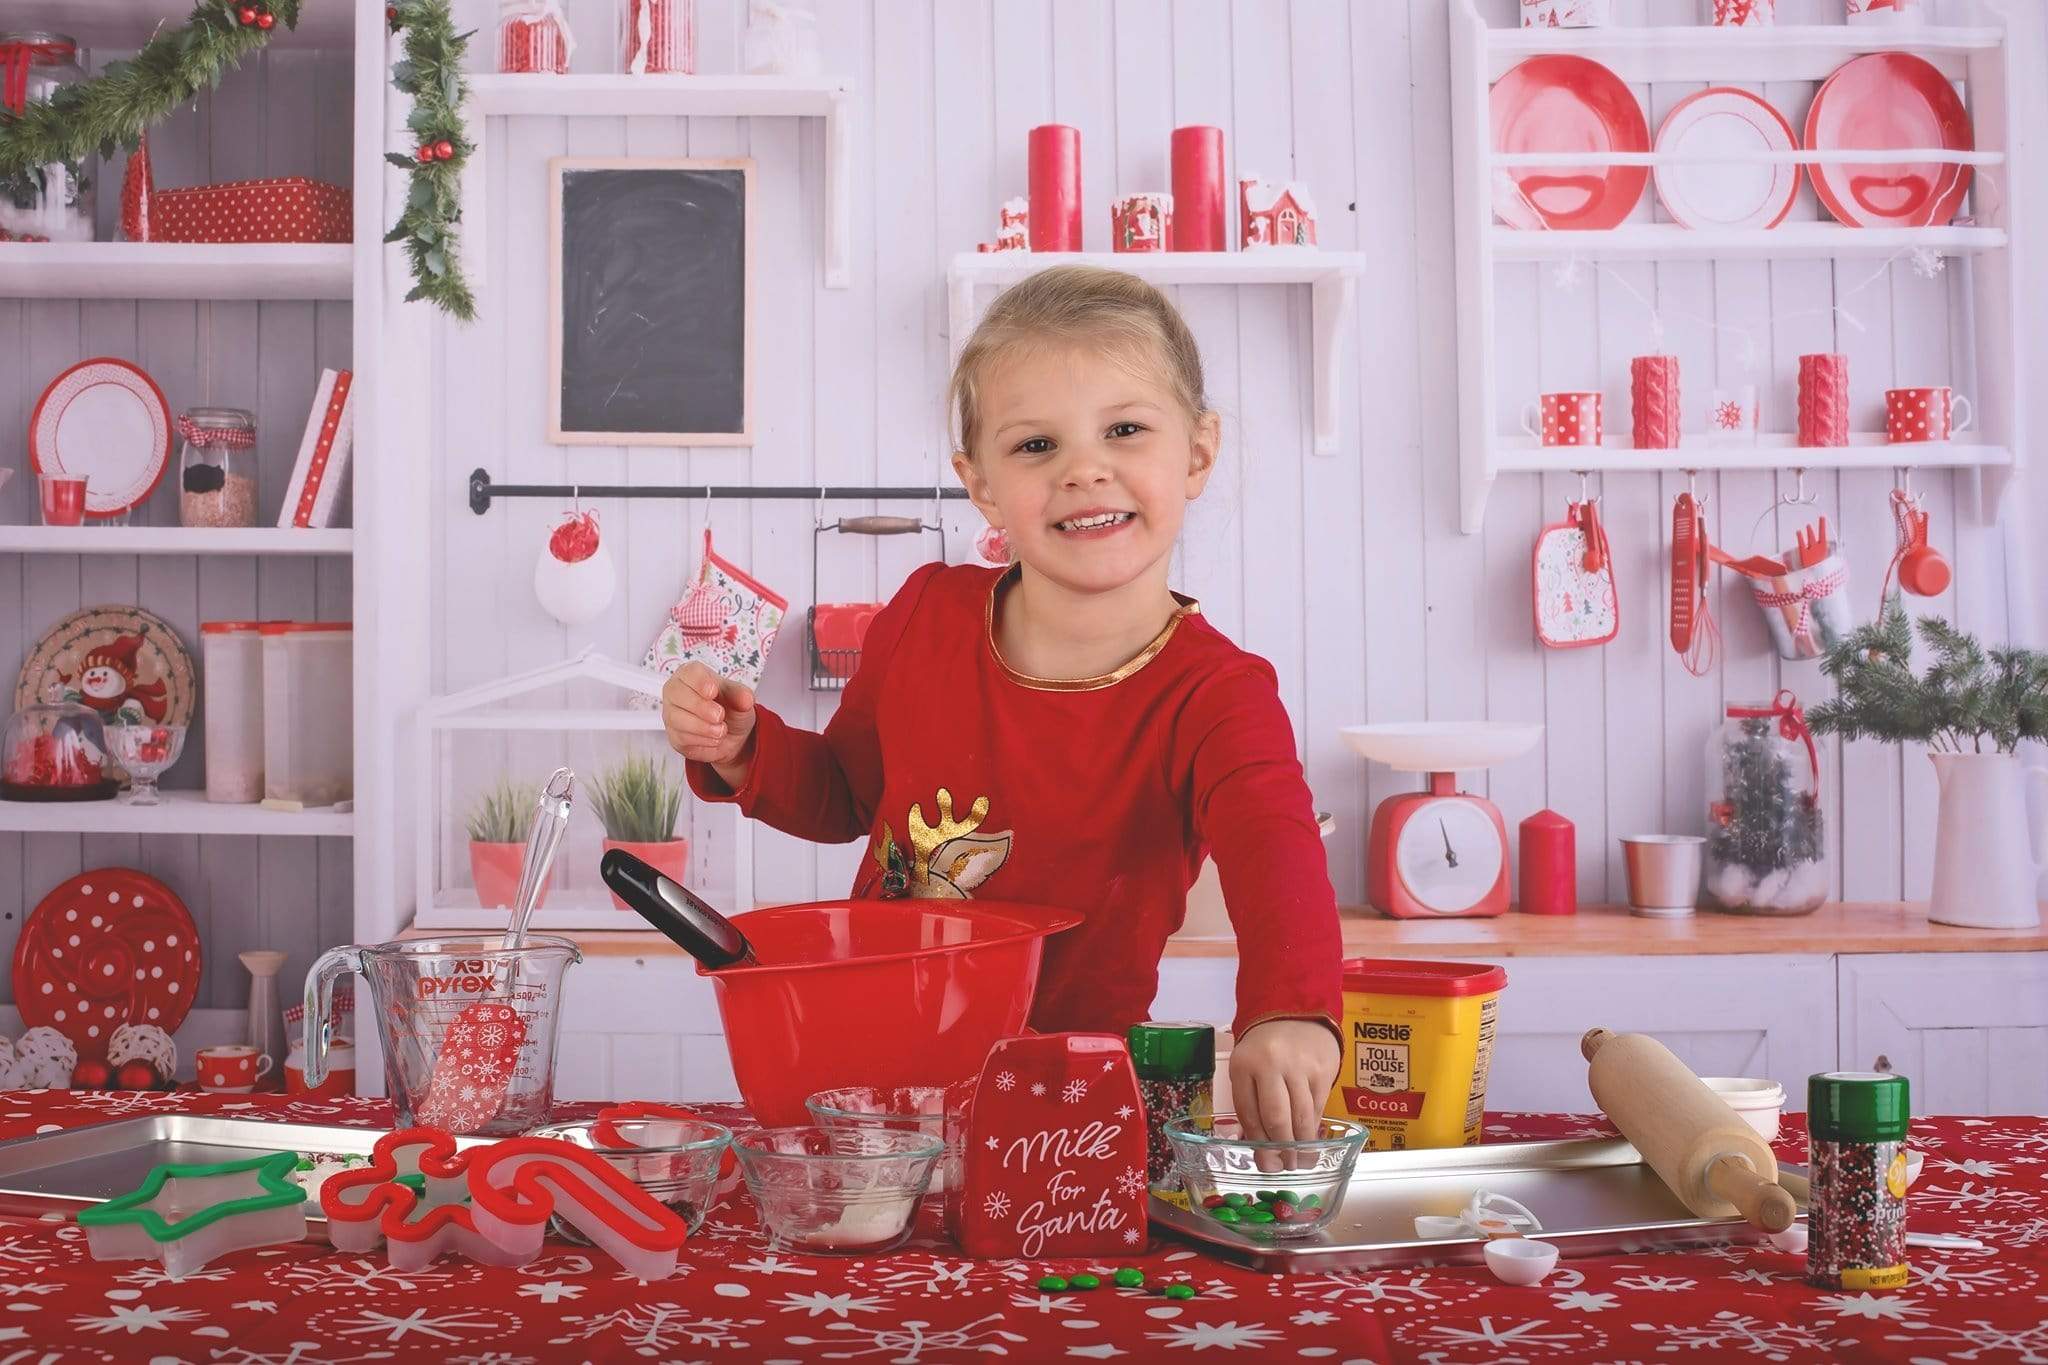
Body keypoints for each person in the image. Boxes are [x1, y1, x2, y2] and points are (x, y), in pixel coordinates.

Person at [664, 265, 1342, 1140]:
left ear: (1198, 453)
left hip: (1059, 1111)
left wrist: (1290, 1012)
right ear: (980, 483)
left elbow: (1274, 857)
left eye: (1125, 430)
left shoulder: (1219, 696)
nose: (1084, 471)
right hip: (868, 1089)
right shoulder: (924, 615)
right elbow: (846, 792)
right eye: (1036, 447)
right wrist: (747, 750)